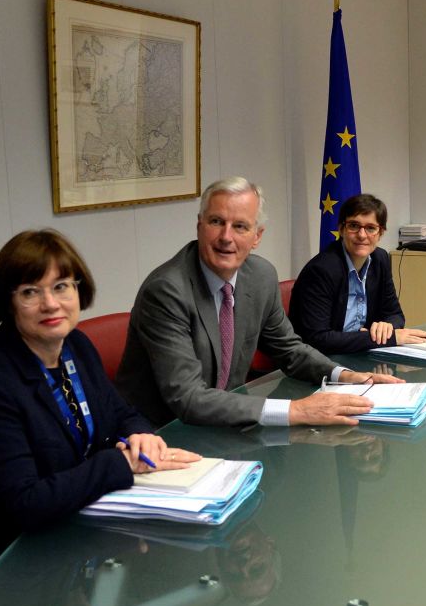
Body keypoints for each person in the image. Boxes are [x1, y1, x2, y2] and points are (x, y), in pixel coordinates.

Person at [0, 230, 200, 606]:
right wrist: (119, 464)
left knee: (172, 576)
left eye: (61, 286)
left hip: (69, 533)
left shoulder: (76, 347)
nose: (50, 303)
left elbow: (119, 413)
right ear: (8, 302)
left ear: (79, 289)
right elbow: (26, 502)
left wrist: (140, 434)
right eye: (29, 292)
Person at [116, 177, 400, 428]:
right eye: (216, 222)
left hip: (227, 421)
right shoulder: (167, 291)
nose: (226, 237)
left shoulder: (261, 276)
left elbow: (289, 349)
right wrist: (296, 410)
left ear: (257, 237)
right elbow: (189, 398)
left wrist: (345, 376)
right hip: (163, 432)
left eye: (240, 226)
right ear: (199, 226)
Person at [289, 193, 426, 354]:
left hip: (360, 353)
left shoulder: (380, 259)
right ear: (341, 229)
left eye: (371, 228)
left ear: (381, 233)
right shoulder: (321, 270)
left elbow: (394, 314)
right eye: (354, 226)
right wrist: (388, 338)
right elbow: (318, 339)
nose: (362, 235)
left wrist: (388, 326)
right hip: (320, 362)